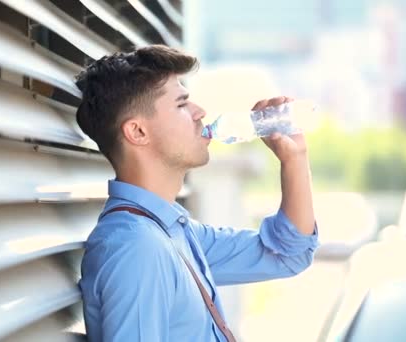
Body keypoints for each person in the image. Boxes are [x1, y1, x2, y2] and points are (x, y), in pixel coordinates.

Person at [76, 45, 318, 342]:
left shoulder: (173, 233)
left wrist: (294, 159)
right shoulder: (137, 248)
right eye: (181, 104)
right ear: (137, 132)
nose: (200, 112)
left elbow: (287, 255)